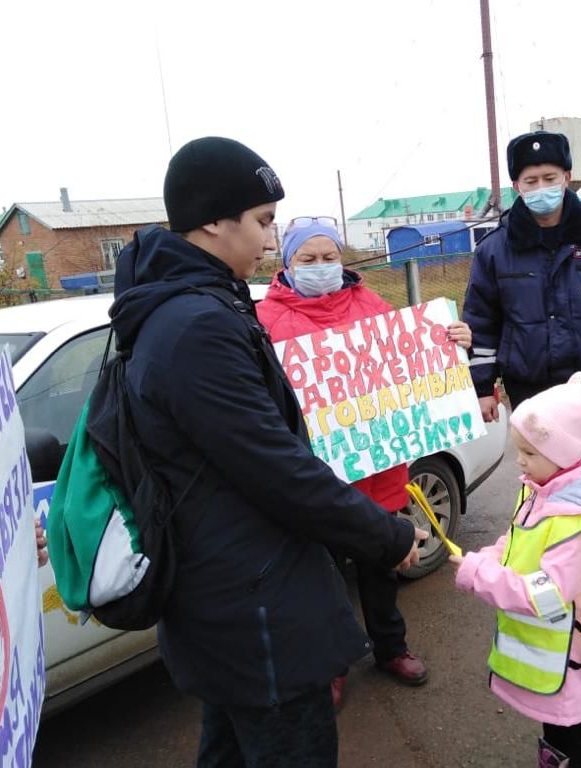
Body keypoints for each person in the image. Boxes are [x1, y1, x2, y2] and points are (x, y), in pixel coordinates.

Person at [111, 137, 426, 768]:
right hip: (254, 606)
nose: (268, 238)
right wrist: (385, 535)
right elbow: (274, 466)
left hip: (230, 596)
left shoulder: (191, 307)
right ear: (210, 220)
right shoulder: (198, 326)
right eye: (260, 221)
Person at [255, 217, 472, 706]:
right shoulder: (265, 319)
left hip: (379, 471)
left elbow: (411, 361)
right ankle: (332, 663)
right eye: (307, 260)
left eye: (328, 258)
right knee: (323, 577)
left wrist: (451, 341)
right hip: (317, 479)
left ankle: (391, 647)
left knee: (382, 566)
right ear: (286, 263)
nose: (320, 268)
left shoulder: (372, 304)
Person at [463, 130, 581, 611]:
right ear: (517, 187)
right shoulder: (494, 251)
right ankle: (540, 574)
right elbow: (481, 323)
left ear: (568, 178)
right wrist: (483, 387)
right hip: (529, 389)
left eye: (551, 177)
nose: (541, 187)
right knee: (537, 486)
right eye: (531, 180)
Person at [451, 372, 581, 768]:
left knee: (573, 730)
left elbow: (541, 595)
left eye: (529, 453)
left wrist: (479, 574)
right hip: (557, 656)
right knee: (557, 731)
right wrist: (488, 557)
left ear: (564, 454)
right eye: (520, 450)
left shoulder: (575, 526)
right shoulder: (542, 489)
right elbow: (518, 537)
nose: (520, 461)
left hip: (570, 659)